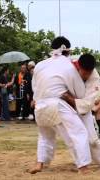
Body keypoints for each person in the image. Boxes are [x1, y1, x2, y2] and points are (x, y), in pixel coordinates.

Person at [29, 37, 91, 174]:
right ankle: (83, 166)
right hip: (56, 105)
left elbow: (35, 88)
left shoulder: (39, 65)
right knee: (78, 132)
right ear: (67, 50)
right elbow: (79, 92)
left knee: (45, 135)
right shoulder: (69, 65)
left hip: (40, 107)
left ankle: (40, 163)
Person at [62, 53, 100, 166]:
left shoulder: (95, 76)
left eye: (89, 73)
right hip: (66, 108)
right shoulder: (68, 68)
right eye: (84, 73)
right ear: (79, 66)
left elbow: (87, 103)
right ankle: (81, 163)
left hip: (83, 109)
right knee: (73, 138)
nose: (87, 76)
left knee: (92, 139)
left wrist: (69, 97)